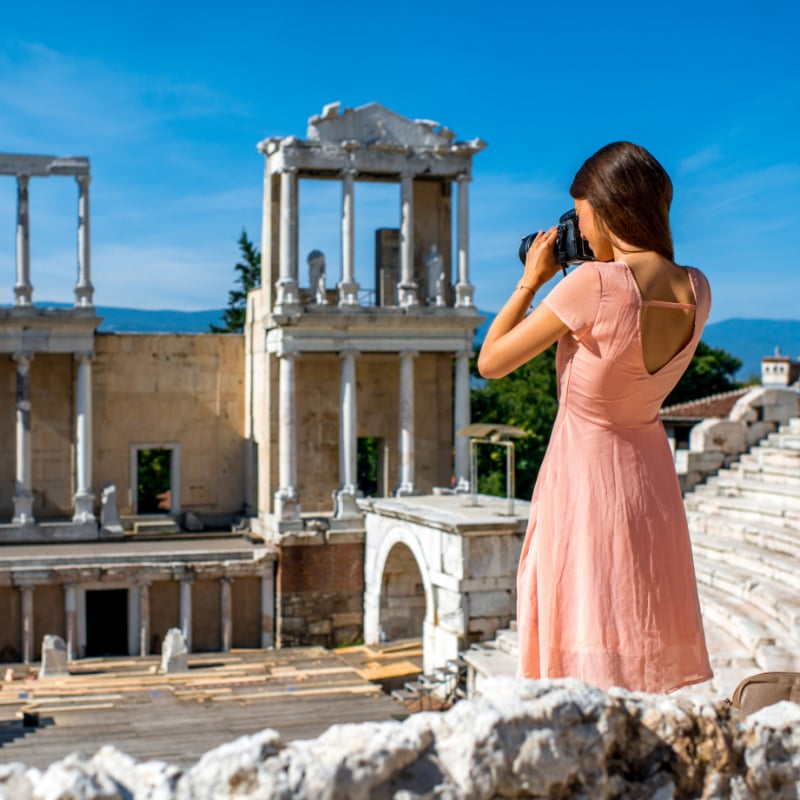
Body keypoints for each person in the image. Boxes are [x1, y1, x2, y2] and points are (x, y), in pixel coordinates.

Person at [478, 142, 713, 693]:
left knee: (587, 613)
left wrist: (533, 280)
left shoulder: (591, 286)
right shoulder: (697, 288)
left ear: (606, 208)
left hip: (586, 476)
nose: (579, 230)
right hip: (650, 475)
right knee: (637, 612)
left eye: (581, 213)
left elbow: (491, 362)